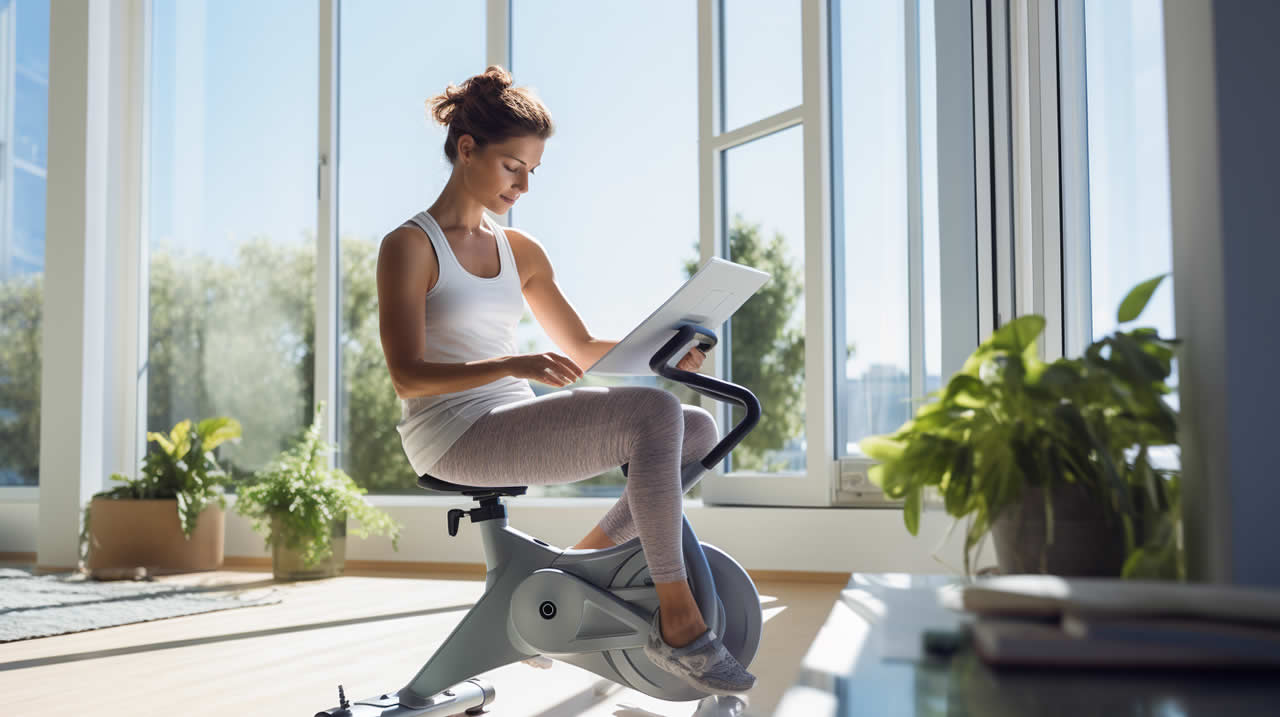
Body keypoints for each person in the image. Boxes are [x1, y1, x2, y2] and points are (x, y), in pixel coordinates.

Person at [375, 66, 756, 696]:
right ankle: (680, 623)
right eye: (512, 167)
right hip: (451, 434)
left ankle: (573, 572)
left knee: (695, 425)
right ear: (467, 149)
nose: (523, 185)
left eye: (532, 172)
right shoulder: (410, 245)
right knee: (655, 416)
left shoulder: (521, 250)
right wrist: (512, 364)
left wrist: (669, 348)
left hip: (509, 417)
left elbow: (580, 348)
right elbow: (407, 376)